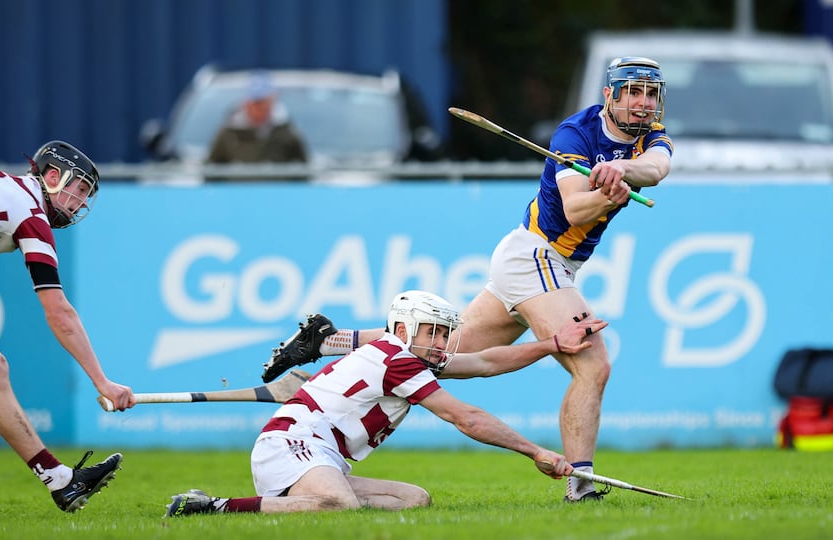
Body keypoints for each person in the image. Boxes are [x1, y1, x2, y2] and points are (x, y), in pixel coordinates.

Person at [260, 56, 672, 503]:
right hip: (535, 254)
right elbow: (574, 209)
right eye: (632, 91)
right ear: (610, 95)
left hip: (551, 263)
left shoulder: (650, 137)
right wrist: (602, 190)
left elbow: (657, 167)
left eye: (650, 94)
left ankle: (330, 341)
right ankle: (582, 485)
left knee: (446, 351)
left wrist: (621, 173)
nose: (642, 102)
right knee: (593, 363)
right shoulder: (575, 133)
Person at [165, 290, 606, 516]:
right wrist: (535, 451)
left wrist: (551, 344)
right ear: (401, 328)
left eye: (442, 331)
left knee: (414, 501)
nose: (439, 340)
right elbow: (465, 418)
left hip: (321, 457)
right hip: (292, 445)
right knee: (339, 508)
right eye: (430, 331)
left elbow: (487, 360)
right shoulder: (396, 360)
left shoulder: (409, 358)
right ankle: (213, 506)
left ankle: (301, 502)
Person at [0, 141, 136, 512]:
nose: (82, 203)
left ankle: (60, 480)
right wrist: (103, 381)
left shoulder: (9, 193)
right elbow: (59, 312)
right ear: (53, 177)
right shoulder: (29, 214)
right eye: (79, 190)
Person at [205, 71, 307, 164]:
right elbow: (211, 170)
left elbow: (303, 169)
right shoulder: (228, 134)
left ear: (273, 100)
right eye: (255, 102)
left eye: (262, 102)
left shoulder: (287, 132)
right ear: (246, 103)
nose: (258, 108)